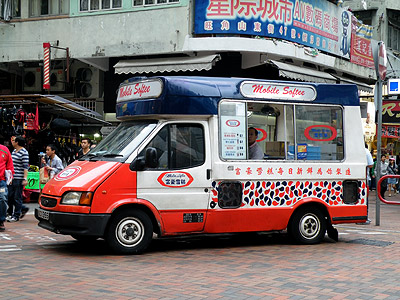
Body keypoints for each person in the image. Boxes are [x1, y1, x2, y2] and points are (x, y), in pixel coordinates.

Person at [6, 136, 30, 222]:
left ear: (17, 142)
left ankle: (16, 215)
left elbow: (25, 167)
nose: (12, 142)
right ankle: (11, 213)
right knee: (9, 196)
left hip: (19, 178)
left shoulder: (24, 152)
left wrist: (25, 178)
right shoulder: (14, 151)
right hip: (12, 177)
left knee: (17, 197)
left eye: (13, 141)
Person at [0, 141, 14, 231]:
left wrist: (10, 176)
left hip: (1, 181)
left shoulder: (4, 150)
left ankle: (1, 220)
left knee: (3, 198)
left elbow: (9, 166)